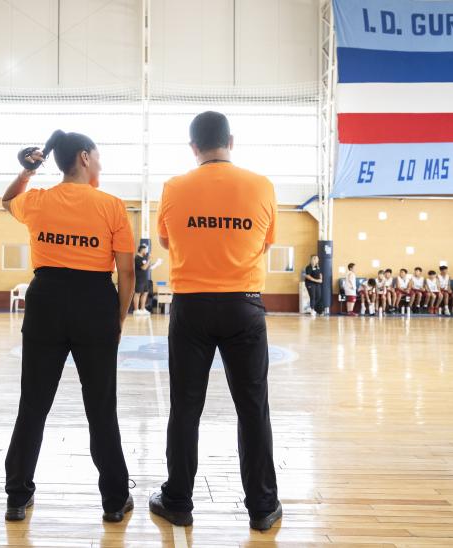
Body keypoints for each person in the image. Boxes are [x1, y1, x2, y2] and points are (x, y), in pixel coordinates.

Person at [150, 111, 281, 532]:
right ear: (231, 140)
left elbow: (168, 240)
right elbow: (265, 242)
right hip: (244, 304)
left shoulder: (174, 187)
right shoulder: (261, 185)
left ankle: (178, 501)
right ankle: (262, 507)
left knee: (185, 408)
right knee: (253, 408)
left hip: (191, 307)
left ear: (193, 147)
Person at [1, 129, 135, 523]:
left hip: (46, 300)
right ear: (83, 157)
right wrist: (119, 317)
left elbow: (7, 201)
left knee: (33, 404)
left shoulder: (38, 200)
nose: (101, 162)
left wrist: (26, 172)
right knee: (101, 407)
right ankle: (114, 501)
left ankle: (16, 496)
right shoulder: (111, 204)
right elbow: (126, 271)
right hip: (95, 302)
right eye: (98, 155)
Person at [133, 244, 151, 315]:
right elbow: (143, 268)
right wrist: (149, 259)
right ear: (142, 249)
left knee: (145, 293)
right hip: (139, 279)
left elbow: (146, 267)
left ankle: (142, 309)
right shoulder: (137, 258)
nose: (146, 251)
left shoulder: (144, 258)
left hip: (145, 279)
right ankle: (136, 310)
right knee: (137, 293)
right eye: (146, 249)